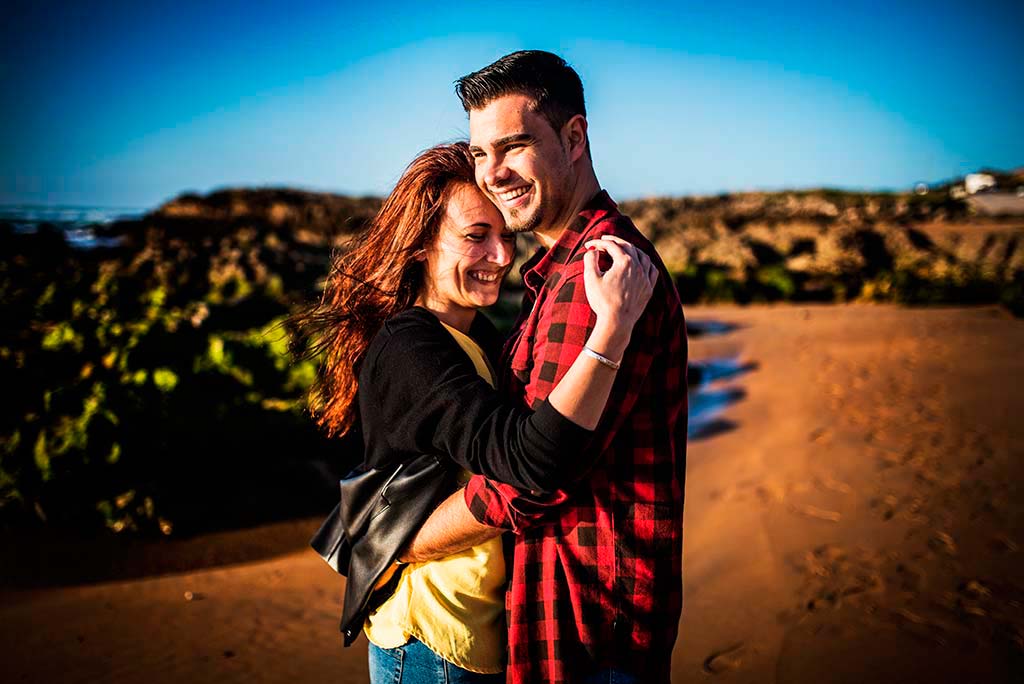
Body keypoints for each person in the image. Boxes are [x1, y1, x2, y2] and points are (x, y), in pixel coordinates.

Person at [298, 141, 657, 683]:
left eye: (505, 236)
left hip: (480, 632)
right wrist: (611, 332)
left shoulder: (476, 335)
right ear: (420, 245)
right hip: (433, 638)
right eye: (475, 237)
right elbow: (527, 460)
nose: (503, 256)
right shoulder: (409, 347)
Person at [398, 51, 688, 684]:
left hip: (590, 631)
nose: (493, 174)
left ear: (574, 137)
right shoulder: (557, 271)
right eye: (480, 154)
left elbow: (531, 477)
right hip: (580, 624)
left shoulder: (599, 272)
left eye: (514, 146)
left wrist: (406, 541)